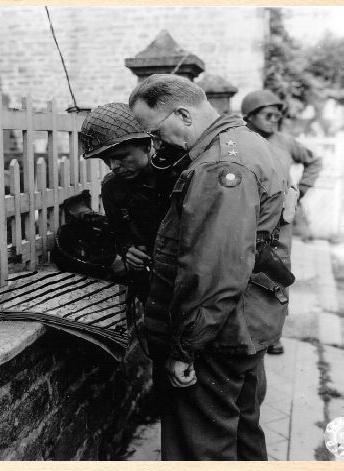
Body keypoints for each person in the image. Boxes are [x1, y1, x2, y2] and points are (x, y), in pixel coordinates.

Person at [128, 74, 289, 461]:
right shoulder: (249, 144)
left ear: (182, 113)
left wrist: (185, 349)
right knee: (242, 434)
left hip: (218, 336)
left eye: (156, 131)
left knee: (201, 449)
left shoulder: (218, 167)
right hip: (243, 323)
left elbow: (213, 272)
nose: (157, 143)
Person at [77, 103, 188, 347]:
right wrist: (128, 250)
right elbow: (119, 233)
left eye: (120, 157)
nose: (115, 167)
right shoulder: (113, 187)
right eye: (107, 161)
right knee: (162, 352)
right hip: (151, 288)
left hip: (187, 282)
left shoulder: (178, 175)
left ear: (147, 145)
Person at [241, 90, 323, 355]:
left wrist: (302, 190)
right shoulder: (241, 140)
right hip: (248, 215)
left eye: (277, 115)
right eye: (268, 115)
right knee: (245, 271)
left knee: (278, 271)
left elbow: (314, 161)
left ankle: (274, 333)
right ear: (249, 117)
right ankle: (249, 328)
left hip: (280, 223)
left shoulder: (286, 141)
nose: (274, 120)